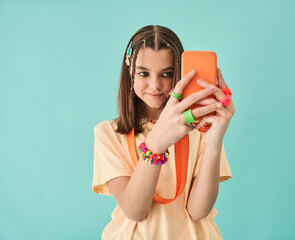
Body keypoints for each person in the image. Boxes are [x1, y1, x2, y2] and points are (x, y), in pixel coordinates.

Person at [92, 25, 235, 240]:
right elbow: (135, 211)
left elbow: (198, 211)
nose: (155, 84)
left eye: (166, 74)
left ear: (179, 74)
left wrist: (214, 141)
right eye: (143, 73)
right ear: (130, 74)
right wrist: (157, 142)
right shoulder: (109, 133)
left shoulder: (201, 129)